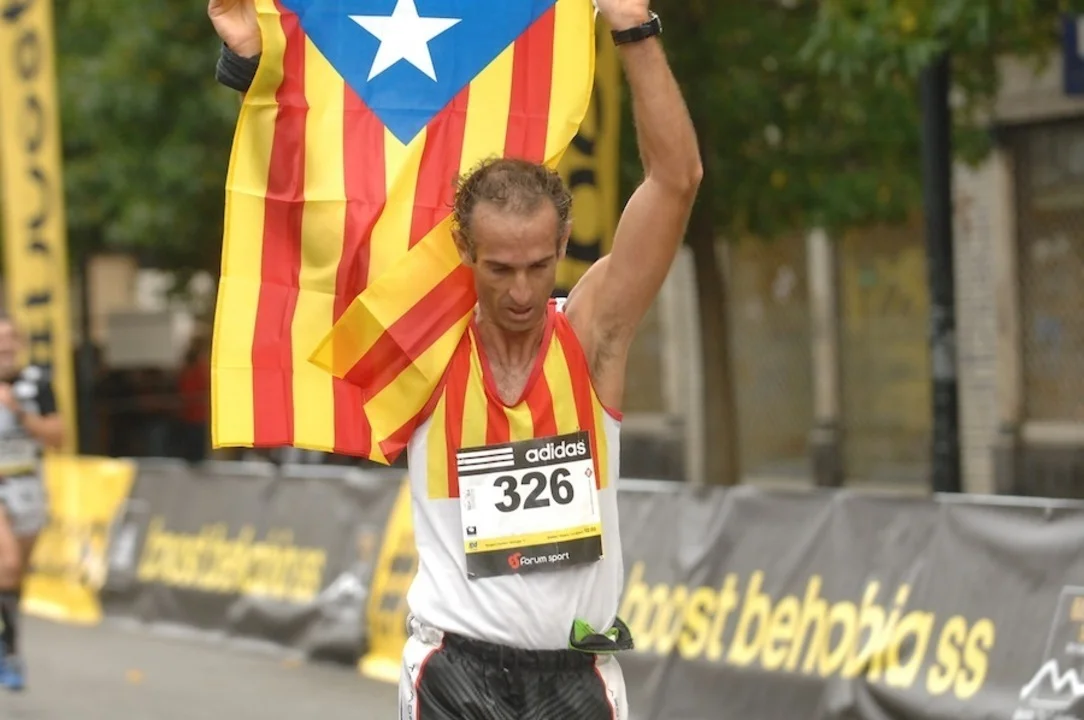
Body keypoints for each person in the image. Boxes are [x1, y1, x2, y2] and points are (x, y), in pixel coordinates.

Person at [209, 0, 700, 716]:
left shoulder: (593, 338)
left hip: (578, 678)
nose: (522, 292)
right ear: (465, 251)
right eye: (500, 269)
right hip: (454, 672)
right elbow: (313, 207)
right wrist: (253, 68)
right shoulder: (421, 341)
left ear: (563, 247)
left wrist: (634, 30)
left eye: (538, 265)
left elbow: (676, 181)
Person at [0, 314, 65, 691]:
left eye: (10, 338)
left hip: (28, 485)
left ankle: (9, 641)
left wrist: (19, 412)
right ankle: (8, 653)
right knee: (7, 563)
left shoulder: (36, 384)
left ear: (20, 343)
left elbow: (58, 436)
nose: (5, 346)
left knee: (15, 575)